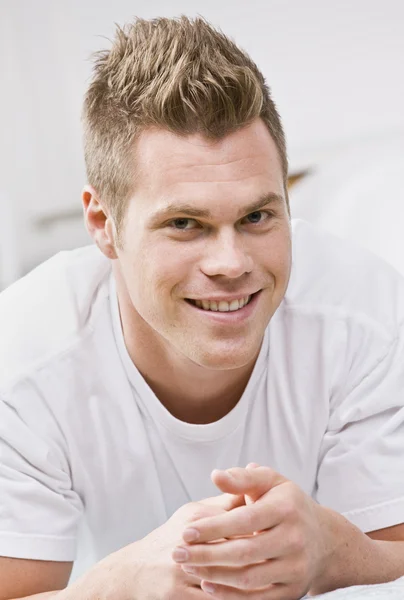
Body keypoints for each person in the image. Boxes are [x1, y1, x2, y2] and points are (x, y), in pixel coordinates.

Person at [0, 16, 404, 600]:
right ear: (102, 225)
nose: (231, 261)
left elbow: (393, 558)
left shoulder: (363, 318)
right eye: (184, 224)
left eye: (257, 217)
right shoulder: (23, 362)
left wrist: (332, 553)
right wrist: (122, 586)